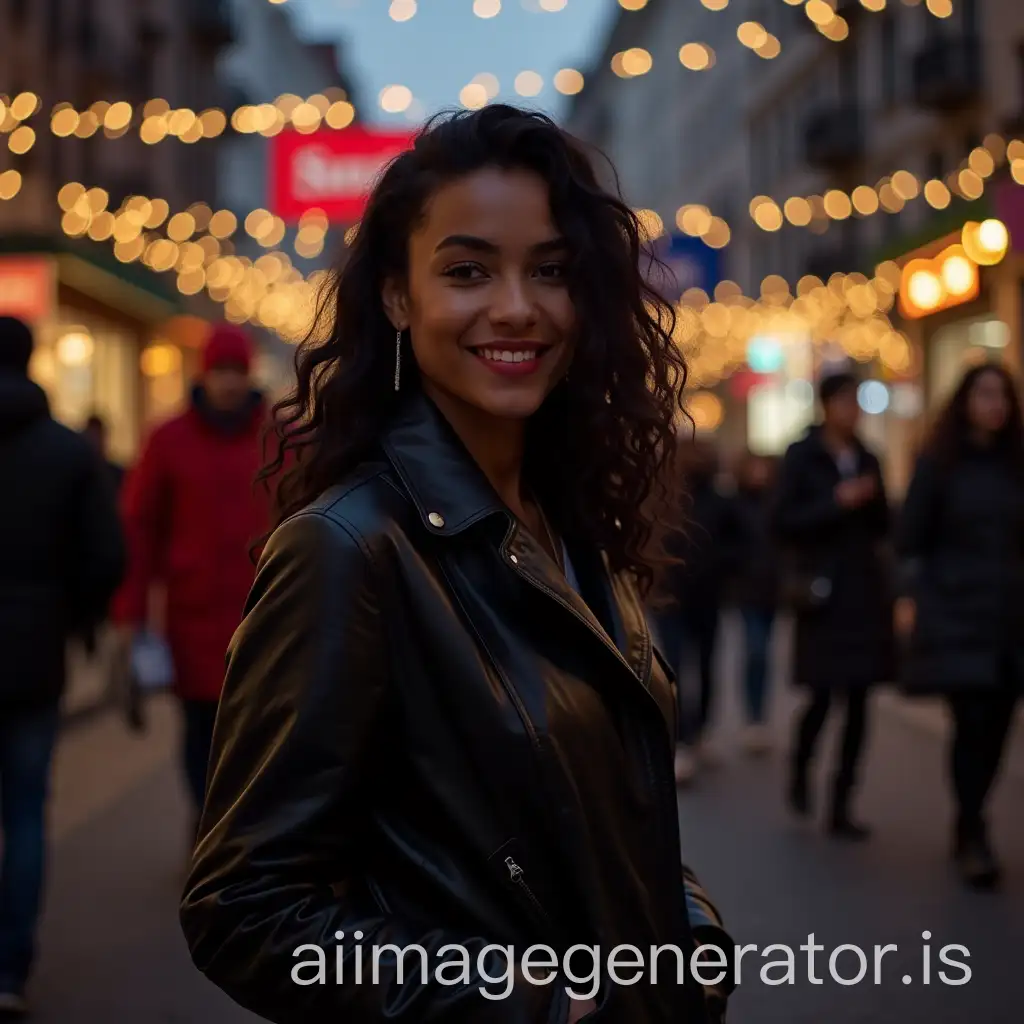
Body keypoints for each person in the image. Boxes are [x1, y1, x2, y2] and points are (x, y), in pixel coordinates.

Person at [179, 106, 733, 1024]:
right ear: (397, 296)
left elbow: (606, 816)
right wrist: (533, 1004)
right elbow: (245, 912)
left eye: (550, 271)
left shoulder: (574, 523)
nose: (517, 306)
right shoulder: (350, 548)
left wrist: (691, 940)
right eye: (468, 271)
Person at [0, 316, 125, 1016]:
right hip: (34, 654)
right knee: (24, 811)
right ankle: (10, 967)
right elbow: (106, 554)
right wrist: (75, 616)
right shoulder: (66, 452)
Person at [113, 324, 269, 838]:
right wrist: (130, 618)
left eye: (236, 372)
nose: (228, 383)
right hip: (192, 619)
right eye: (220, 371)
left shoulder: (278, 436)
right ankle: (208, 831)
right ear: (205, 372)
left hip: (262, 616)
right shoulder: (168, 439)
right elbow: (140, 531)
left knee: (256, 734)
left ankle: (236, 834)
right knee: (201, 733)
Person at [895, 363, 1024, 890]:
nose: (995, 404)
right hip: (956, 613)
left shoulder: (1017, 466)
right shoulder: (939, 465)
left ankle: (972, 816)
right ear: (965, 401)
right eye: (985, 394)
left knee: (999, 726)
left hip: (1011, 618)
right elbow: (911, 541)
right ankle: (972, 829)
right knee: (970, 722)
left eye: (1003, 395)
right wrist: (912, 600)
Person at [774, 371, 893, 840]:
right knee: (822, 696)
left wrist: (873, 501)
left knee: (862, 700)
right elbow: (782, 521)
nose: (852, 411)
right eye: (844, 402)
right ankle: (801, 768)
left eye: (856, 402)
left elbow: (884, 526)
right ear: (826, 406)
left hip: (864, 594)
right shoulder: (802, 456)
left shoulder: (868, 457)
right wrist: (837, 501)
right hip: (822, 593)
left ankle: (842, 801)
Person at [651, 437, 739, 782]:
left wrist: (720, 568)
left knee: (702, 664)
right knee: (674, 668)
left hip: (705, 596)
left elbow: (740, 541)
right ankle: (683, 739)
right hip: (669, 597)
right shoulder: (661, 499)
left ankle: (698, 731)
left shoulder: (719, 501)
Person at [730, 451, 781, 753]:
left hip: (771, 589)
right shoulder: (735, 505)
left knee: (765, 653)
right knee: (756, 650)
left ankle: (759, 716)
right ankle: (753, 717)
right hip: (748, 589)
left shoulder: (777, 503)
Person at [81, 413, 125, 496]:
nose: (95, 441)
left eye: (97, 436)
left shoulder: (118, 474)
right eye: (91, 436)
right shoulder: (80, 477)